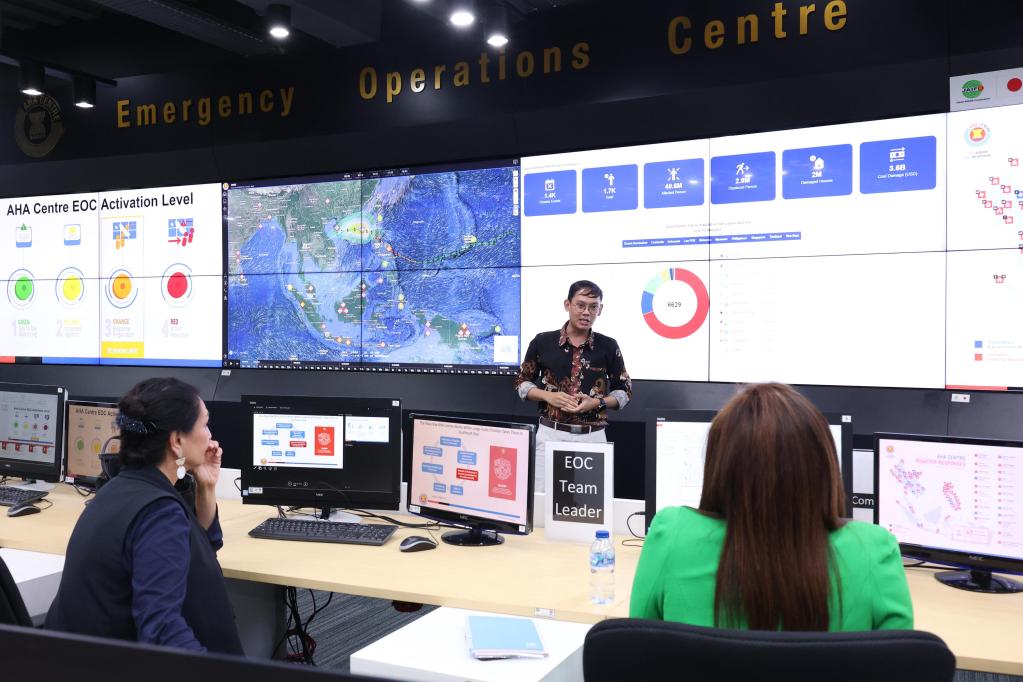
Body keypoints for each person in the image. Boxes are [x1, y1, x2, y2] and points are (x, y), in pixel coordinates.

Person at [630, 383, 913, 631]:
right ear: (822, 464)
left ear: (720, 465)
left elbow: (637, 650)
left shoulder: (671, 534)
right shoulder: (874, 550)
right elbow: (904, 665)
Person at [46, 378, 244, 654]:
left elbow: (196, 555)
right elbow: (162, 631)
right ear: (176, 441)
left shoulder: (118, 490)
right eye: (204, 424)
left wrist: (206, 486)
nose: (210, 435)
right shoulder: (158, 514)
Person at [513, 280, 632, 492]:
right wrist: (547, 396)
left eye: (593, 307)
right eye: (581, 305)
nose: (587, 312)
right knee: (542, 503)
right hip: (550, 435)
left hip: (593, 438)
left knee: (591, 508)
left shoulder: (608, 346)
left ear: (600, 309)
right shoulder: (542, 342)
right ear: (567, 304)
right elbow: (522, 383)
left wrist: (597, 402)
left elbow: (624, 392)